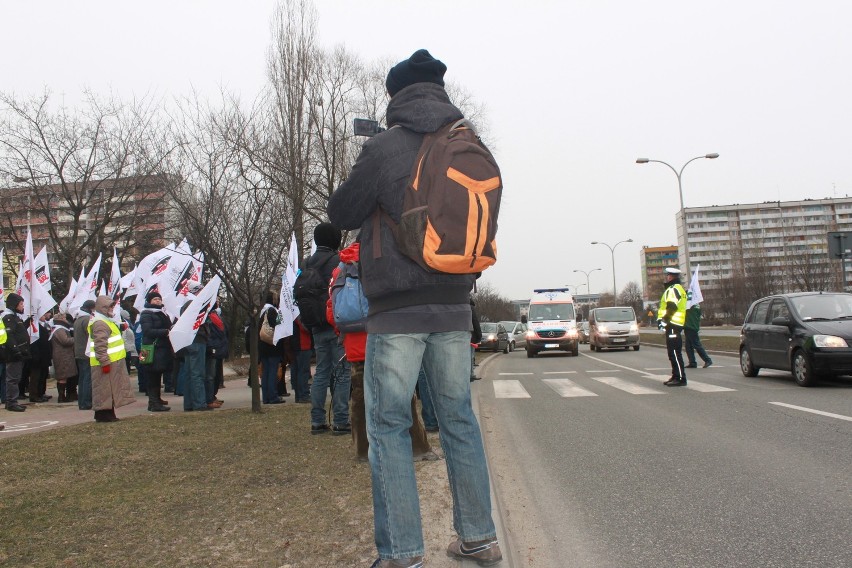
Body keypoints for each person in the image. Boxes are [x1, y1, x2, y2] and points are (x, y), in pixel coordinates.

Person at [327, 49, 501, 567]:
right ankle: (479, 538)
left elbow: (342, 212)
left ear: (395, 97)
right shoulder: (470, 144)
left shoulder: (385, 146)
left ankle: (402, 553)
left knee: (387, 425)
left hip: (398, 311)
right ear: (440, 91)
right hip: (452, 305)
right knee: (459, 421)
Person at [327, 242, 437, 459]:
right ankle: (418, 448)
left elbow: (332, 312)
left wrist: (345, 332)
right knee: (402, 394)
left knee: (359, 398)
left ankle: (362, 451)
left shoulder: (340, 268)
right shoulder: (386, 257)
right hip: (388, 337)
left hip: (356, 344)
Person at [305, 223, 351, 434]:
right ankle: (341, 420)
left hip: (315, 325)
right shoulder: (338, 260)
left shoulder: (307, 264)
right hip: (335, 323)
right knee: (341, 371)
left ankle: (317, 420)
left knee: (321, 372)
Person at [88, 295, 136, 422]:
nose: (112, 309)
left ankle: (107, 413)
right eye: (110, 306)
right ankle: (104, 414)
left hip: (110, 360)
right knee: (104, 389)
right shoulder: (100, 323)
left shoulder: (104, 321)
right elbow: (100, 344)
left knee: (108, 389)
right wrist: (104, 362)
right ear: (103, 308)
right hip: (105, 362)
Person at [139, 291, 172, 412]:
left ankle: (157, 399)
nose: (158, 301)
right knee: (152, 376)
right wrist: (165, 332)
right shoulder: (146, 314)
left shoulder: (162, 313)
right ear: (149, 301)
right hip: (150, 348)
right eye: (155, 299)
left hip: (160, 348)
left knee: (158, 375)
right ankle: (153, 402)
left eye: (159, 299)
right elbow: (147, 331)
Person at [657, 267, 689, 386]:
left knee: (675, 352)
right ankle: (675, 375)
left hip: (673, 324)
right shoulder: (679, 288)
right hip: (675, 324)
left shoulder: (673, 289)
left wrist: (664, 321)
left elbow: (672, 307)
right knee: (672, 352)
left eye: (668, 275)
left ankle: (680, 378)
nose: (667, 277)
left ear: (671, 277)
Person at [2, 293, 31, 412]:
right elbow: (9, 335)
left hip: (18, 353)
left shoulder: (14, 316)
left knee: (15, 378)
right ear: (14, 304)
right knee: (12, 379)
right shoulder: (8, 317)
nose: (23, 306)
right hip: (13, 354)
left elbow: (17, 332)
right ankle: (11, 402)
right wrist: (16, 350)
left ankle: (12, 401)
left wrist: (27, 322)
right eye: (21, 303)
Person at [258, 292, 285, 405]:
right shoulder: (272, 311)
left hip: (263, 346)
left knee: (266, 372)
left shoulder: (261, 312)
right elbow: (277, 327)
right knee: (272, 372)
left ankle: (266, 397)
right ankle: (273, 396)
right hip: (272, 346)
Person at [73, 299, 96, 410]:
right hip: (86, 352)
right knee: (88, 378)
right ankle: (86, 402)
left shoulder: (78, 319)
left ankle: (82, 402)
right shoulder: (87, 320)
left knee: (82, 378)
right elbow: (91, 335)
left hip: (78, 352)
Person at [50, 313, 77, 403]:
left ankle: (63, 395)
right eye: (64, 318)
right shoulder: (59, 329)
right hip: (62, 355)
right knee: (63, 376)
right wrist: (75, 338)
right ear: (61, 319)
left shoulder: (59, 328)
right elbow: (65, 341)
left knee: (64, 376)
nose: (66, 319)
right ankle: (61, 397)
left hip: (63, 355)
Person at [684, 304, 713, 368]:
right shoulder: (696, 306)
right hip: (690, 326)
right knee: (688, 346)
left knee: (696, 344)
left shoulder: (690, 306)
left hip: (691, 326)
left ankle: (707, 360)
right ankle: (692, 362)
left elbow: (689, 316)